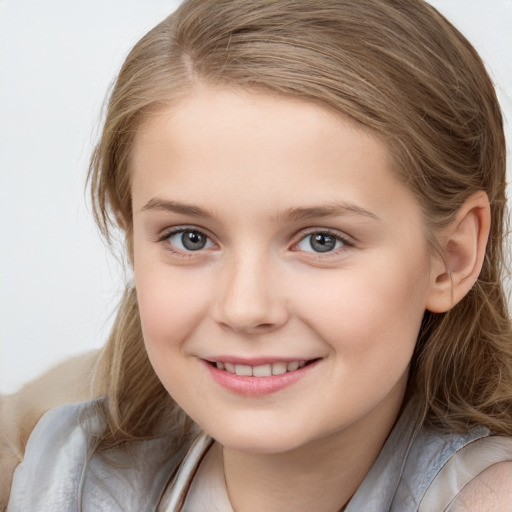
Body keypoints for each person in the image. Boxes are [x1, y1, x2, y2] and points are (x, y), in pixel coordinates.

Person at [5, 0, 512, 510]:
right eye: (190, 238)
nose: (244, 308)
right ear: (130, 229)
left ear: (452, 256)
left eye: (322, 241)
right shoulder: (61, 473)